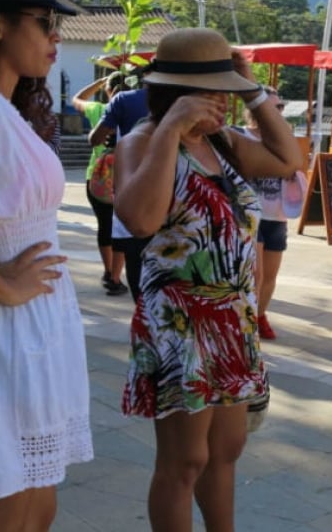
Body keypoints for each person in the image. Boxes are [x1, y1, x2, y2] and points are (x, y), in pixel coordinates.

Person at [115, 28, 304, 532]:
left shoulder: (223, 144)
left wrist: (255, 94)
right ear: (178, 93)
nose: (222, 100)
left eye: (226, 88)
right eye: (213, 90)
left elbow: (290, 161)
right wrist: (171, 131)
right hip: (180, 322)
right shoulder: (142, 141)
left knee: (226, 450)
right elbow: (140, 219)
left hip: (232, 320)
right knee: (185, 462)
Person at [0, 0, 93, 531]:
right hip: (4, 330)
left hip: (32, 329)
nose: (56, 36)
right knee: (5, 509)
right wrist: (4, 285)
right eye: (45, 21)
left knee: (36, 506)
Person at [233, 86, 289, 341]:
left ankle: (259, 314)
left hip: (276, 215)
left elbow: (296, 165)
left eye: (280, 107)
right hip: (248, 215)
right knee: (256, 274)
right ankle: (247, 322)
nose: (277, 112)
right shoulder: (238, 136)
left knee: (270, 276)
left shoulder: (283, 137)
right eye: (272, 107)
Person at [92, 82, 150, 302]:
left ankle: (139, 310)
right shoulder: (184, 99)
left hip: (132, 189)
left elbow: (95, 138)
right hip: (174, 194)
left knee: (133, 253)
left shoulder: (123, 100)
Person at [74, 71, 129, 296]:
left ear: (108, 90)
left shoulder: (98, 110)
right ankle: (116, 277)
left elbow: (76, 100)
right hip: (125, 178)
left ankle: (108, 271)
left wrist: (96, 83)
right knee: (122, 228)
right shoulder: (134, 109)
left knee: (104, 226)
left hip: (96, 178)